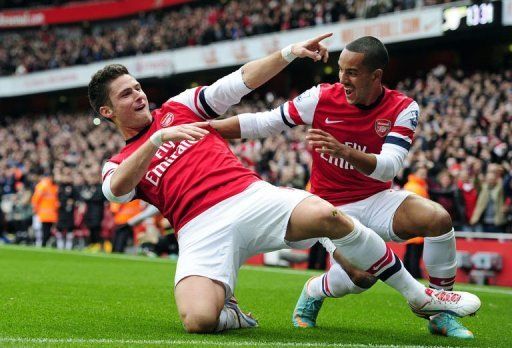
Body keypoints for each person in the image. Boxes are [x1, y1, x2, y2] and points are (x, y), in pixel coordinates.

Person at [89, 34, 480, 334]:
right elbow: (115, 191)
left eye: (138, 87)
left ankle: (420, 298)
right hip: (197, 228)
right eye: (126, 94)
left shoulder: (180, 107)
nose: (139, 95)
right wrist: (154, 142)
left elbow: (237, 83)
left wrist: (288, 53)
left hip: (249, 196)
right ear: (107, 112)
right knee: (198, 320)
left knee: (329, 217)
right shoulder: (118, 161)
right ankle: (234, 314)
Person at [208, 36, 476, 338]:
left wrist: (346, 152)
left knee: (437, 219)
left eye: (352, 72)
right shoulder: (320, 97)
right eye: (340, 70)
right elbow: (264, 123)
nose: (342, 79)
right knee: (363, 277)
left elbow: (389, 167)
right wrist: (207, 128)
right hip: (330, 209)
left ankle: (440, 312)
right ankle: (313, 290)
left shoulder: (403, 107)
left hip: (377, 197)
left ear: (376, 76)